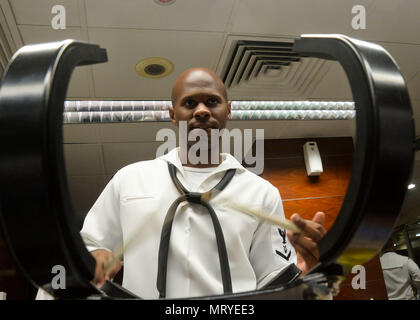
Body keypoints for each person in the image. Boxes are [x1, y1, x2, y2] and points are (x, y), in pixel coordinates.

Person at [37, 67, 326, 299]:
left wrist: (310, 277)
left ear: (228, 111)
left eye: (212, 101)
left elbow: (273, 278)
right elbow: (91, 246)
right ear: (173, 115)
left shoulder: (262, 193)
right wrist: (97, 256)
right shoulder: (129, 179)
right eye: (189, 103)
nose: (201, 110)